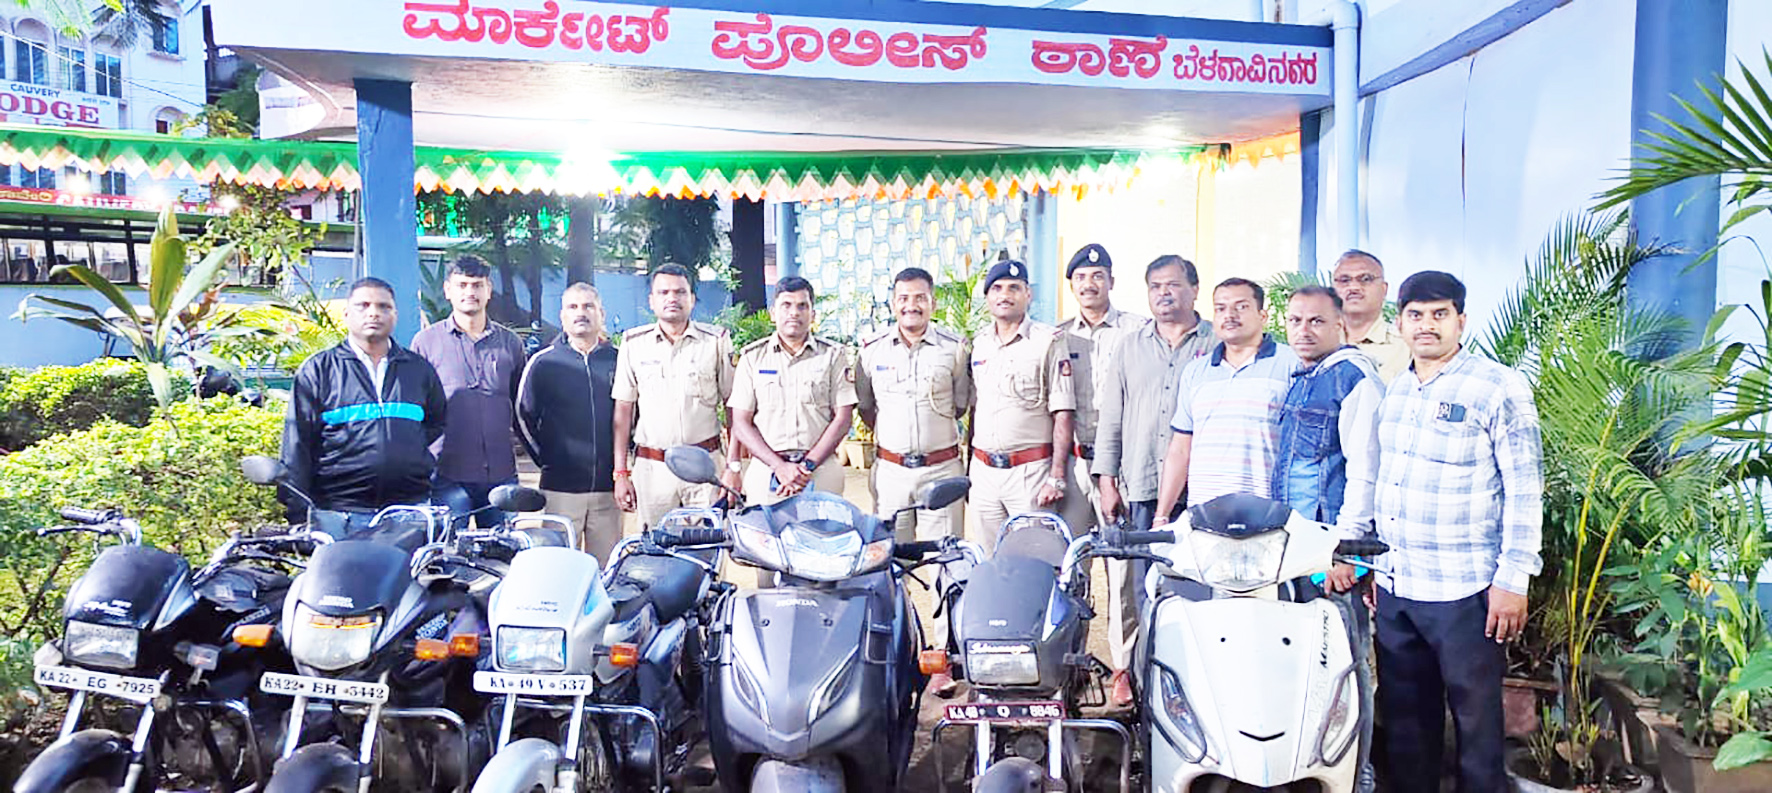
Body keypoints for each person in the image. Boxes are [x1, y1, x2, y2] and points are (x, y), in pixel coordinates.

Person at [1371, 271, 1543, 793]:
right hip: (1398, 585)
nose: (1427, 325)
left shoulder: (1498, 386)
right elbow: (1384, 481)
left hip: (1465, 590)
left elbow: (1525, 487)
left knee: (1476, 723)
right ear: (1399, 323)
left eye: (1439, 314)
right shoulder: (1396, 390)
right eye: (1416, 315)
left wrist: (1513, 580)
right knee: (1406, 722)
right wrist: (1373, 565)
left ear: (1461, 321)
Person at [1273, 284, 1384, 793]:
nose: (1304, 330)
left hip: (1330, 552)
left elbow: (1364, 470)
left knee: (1345, 667)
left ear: (1341, 324)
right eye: (1295, 321)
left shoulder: (1353, 378)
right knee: (1302, 666)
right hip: (1295, 549)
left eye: (1316, 321)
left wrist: (1344, 549)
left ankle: (1357, 774)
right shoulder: (1304, 377)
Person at [1092, 254, 1214, 706]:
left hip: (1199, 491)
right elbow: (1112, 417)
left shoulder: (1216, 343)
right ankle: (1135, 673)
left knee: (1197, 585)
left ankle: (1194, 679)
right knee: (1140, 586)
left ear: (1194, 290)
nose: (1164, 293)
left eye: (1173, 285)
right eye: (1155, 286)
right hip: (1141, 485)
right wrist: (1107, 480)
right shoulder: (1130, 347)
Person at [857, 266, 973, 697]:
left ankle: (943, 657)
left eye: (920, 297)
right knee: (892, 563)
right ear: (893, 302)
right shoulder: (870, 351)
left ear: (932, 302)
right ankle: (902, 651)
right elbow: (866, 407)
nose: (912, 305)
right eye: (903, 298)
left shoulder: (955, 349)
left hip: (941, 470)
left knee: (946, 563)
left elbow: (961, 404)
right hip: (891, 472)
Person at [280, 277, 447, 532]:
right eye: (363, 305)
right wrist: (298, 513)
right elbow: (297, 444)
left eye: (383, 306)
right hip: (340, 515)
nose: (373, 313)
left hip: (409, 512)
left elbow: (435, 424)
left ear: (395, 315)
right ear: (347, 314)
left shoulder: (418, 370)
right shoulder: (319, 370)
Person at [1152, 278, 1298, 520]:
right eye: (1220, 308)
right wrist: (1161, 516)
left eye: (1241, 307)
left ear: (1262, 316)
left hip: (1269, 514)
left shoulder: (1291, 365)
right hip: (1205, 514)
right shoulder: (1195, 372)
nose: (1229, 315)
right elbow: (1180, 449)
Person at [612, 264, 737, 528]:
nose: (672, 298)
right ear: (652, 300)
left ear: (692, 298)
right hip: (653, 470)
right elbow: (623, 412)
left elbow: (733, 407)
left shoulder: (715, 341)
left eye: (680, 292)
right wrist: (621, 473)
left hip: (705, 467)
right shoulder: (634, 344)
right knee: (656, 548)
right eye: (664, 292)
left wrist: (732, 467)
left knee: (709, 545)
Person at [410, 255, 527, 529]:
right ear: (447, 290)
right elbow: (416, 410)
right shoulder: (426, 343)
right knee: (447, 552)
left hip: (500, 474)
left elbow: (521, 404)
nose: (469, 292)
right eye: (462, 285)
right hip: (446, 475)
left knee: (503, 549)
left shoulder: (510, 343)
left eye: (477, 285)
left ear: (488, 290)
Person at [967, 260, 1075, 551]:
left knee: (1033, 559)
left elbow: (1063, 412)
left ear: (1028, 294)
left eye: (1014, 288)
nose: (1005, 295)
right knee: (990, 560)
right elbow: (975, 409)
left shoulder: (1048, 341)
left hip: (1029, 474)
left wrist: (1056, 476)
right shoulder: (979, 344)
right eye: (997, 288)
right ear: (988, 297)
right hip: (984, 473)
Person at [729, 276, 857, 508]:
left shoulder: (832, 356)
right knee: (764, 531)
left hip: (820, 471)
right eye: (786, 305)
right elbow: (740, 422)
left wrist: (806, 466)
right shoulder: (752, 358)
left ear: (813, 315)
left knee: (825, 531)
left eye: (802, 306)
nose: (794, 313)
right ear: (773, 313)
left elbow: (843, 418)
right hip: (767, 472)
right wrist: (779, 466)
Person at [517, 283, 620, 560]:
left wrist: (621, 461)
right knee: (559, 566)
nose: (580, 313)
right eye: (573, 307)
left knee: (606, 569)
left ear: (601, 314)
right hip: (560, 489)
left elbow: (633, 415)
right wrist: (547, 459)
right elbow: (523, 415)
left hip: (608, 489)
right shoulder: (543, 363)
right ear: (562, 316)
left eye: (588, 306)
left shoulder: (619, 361)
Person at [1056, 243, 1145, 538]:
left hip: (1122, 465)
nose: (1089, 284)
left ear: (1111, 282)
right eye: (1080, 277)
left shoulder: (1138, 331)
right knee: (1072, 553)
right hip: (1075, 464)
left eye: (1097, 276)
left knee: (1122, 553)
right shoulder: (1059, 336)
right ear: (1072, 285)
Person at [1331, 250, 1411, 383]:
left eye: (1365, 279)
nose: (1354, 287)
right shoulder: (1318, 342)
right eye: (1344, 280)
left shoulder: (1407, 345)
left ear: (1384, 289)